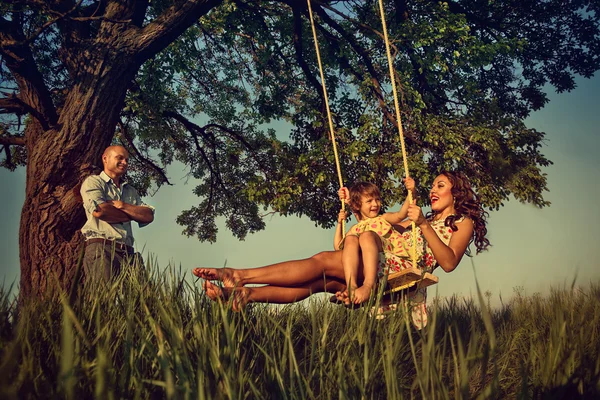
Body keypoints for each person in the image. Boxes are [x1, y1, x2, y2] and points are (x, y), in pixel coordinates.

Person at [193, 171, 489, 327]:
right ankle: (246, 294)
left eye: (440, 185)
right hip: (379, 259)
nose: (433, 191)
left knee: (322, 261)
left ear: (456, 191)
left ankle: (240, 276)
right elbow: (375, 228)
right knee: (319, 282)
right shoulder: (421, 215)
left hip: (398, 269)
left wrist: (423, 224)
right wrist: (351, 204)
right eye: (433, 186)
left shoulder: (463, 221)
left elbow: (448, 263)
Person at [333, 178, 415, 305]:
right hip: (368, 252)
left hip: (389, 253)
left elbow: (401, 214)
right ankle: (352, 285)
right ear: (356, 205)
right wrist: (339, 223)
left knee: (366, 236)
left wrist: (411, 191)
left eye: (377, 199)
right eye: (369, 201)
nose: (375, 204)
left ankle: (368, 284)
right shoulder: (355, 228)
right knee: (350, 239)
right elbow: (339, 247)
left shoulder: (383, 218)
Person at [80, 145, 155, 283]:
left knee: (141, 301)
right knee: (103, 300)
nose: (125, 162)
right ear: (105, 159)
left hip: (129, 253)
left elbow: (148, 215)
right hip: (102, 249)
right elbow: (100, 211)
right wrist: (131, 214)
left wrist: (123, 205)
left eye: (127, 160)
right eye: (119, 158)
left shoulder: (131, 190)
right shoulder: (94, 182)